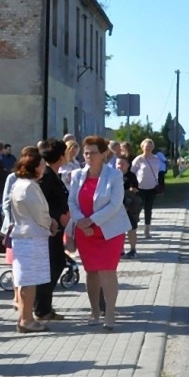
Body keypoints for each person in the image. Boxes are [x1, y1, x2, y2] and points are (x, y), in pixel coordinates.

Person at [67, 136, 130, 329]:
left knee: (107, 271)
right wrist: (81, 222)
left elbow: (115, 204)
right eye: (86, 152)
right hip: (84, 233)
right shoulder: (77, 175)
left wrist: (92, 221)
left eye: (93, 152)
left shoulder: (114, 175)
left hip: (109, 232)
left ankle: (109, 314)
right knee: (91, 272)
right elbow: (72, 202)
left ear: (103, 154)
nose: (88, 156)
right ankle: (94, 312)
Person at [9, 147, 58, 333]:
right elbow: (40, 213)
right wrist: (50, 223)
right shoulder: (29, 186)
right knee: (29, 281)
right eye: (42, 165)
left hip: (23, 235)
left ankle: (24, 316)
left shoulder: (18, 184)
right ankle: (27, 319)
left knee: (24, 280)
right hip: (32, 235)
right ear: (35, 167)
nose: (44, 168)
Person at [34, 139, 72, 322]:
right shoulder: (47, 176)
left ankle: (44, 306)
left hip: (56, 229)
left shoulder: (53, 174)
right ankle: (41, 308)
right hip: (49, 229)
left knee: (56, 265)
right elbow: (42, 203)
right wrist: (57, 216)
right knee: (52, 266)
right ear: (60, 157)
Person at [132, 138, 166, 238]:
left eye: (150, 147)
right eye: (146, 146)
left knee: (148, 209)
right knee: (137, 209)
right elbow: (132, 172)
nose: (148, 148)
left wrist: (160, 183)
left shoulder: (156, 159)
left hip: (152, 187)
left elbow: (160, 172)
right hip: (140, 187)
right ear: (142, 147)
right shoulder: (139, 159)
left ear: (153, 148)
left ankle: (147, 230)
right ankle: (134, 229)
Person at [116, 144, 143, 259]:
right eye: (118, 164)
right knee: (118, 230)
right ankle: (120, 250)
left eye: (123, 164)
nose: (120, 166)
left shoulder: (131, 176)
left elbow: (134, 189)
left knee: (131, 228)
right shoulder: (113, 176)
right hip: (116, 207)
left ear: (127, 165)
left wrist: (128, 192)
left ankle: (133, 250)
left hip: (129, 206)